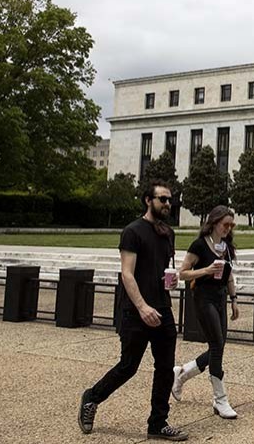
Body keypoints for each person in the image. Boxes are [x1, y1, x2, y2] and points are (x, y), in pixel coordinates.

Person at [78, 180, 188, 441]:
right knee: (128, 366)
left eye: (170, 200)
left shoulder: (167, 233)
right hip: (136, 311)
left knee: (165, 368)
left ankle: (157, 423)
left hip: (162, 309)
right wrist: (142, 307)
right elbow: (127, 274)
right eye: (162, 199)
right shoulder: (132, 232)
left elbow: (163, 270)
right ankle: (91, 397)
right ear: (148, 200)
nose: (167, 204)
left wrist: (171, 281)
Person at [170, 205, 240, 419]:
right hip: (203, 298)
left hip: (220, 298)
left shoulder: (226, 247)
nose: (228, 228)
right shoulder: (199, 245)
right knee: (217, 346)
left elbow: (228, 275)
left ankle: (182, 374)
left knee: (218, 347)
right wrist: (206, 271)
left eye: (231, 225)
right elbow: (182, 274)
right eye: (225, 224)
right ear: (214, 223)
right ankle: (220, 400)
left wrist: (234, 299)